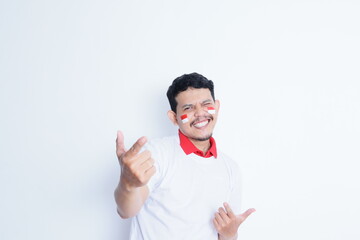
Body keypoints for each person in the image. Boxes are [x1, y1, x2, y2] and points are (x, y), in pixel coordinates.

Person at [114, 73, 255, 240]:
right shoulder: (157, 153)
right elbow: (126, 210)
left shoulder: (231, 168)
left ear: (216, 107)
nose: (200, 113)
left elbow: (225, 235)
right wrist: (127, 185)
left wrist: (230, 234)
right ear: (174, 118)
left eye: (206, 104)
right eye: (188, 108)